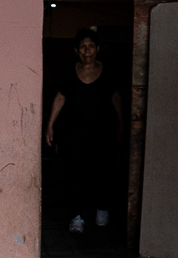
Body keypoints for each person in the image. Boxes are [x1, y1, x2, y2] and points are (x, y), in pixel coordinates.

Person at [45, 29, 123, 233]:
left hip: (103, 132)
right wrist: (50, 124)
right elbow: (60, 97)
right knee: (74, 172)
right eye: (82, 46)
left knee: (103, 170)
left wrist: (122, 123)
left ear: (97, 49)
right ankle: (77, 216)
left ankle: (102, 209)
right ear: (76, 50)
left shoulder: (108, 71)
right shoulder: (70, 72)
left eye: (90, 46)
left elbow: (116, 98)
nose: (86, 50)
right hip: (75, 133)